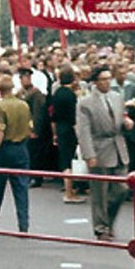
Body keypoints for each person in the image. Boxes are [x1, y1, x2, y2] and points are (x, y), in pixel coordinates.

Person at [76, 67, 132, 241]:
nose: (108, 82)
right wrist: (89, 154)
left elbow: (119, 117)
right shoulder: (85, 103)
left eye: (109, 78)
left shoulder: (117, 97)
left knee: (121, 189)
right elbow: (83, 131)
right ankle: (101, 228)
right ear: (95, 82)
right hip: (99, 147)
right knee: (99, 192)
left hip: (118, 146)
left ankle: (108, 220)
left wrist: (126, 122)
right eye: (103, 79)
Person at [0, 75, 33, 233]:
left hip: (5, 148)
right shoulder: (23, 105)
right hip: (21, 148)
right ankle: (23, 224)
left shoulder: (0, 106)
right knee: (21, 188)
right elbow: (30, 126)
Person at [51, 69, 85, 203]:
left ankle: (68, 190)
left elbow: (53, 116)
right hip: (69, 129)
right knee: (70, 160)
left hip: (60, 128)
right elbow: (73, 117)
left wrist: (54, 133)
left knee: (64, 158)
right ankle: (69, 193)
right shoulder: (71, 95)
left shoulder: (57, 93)